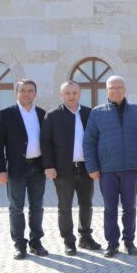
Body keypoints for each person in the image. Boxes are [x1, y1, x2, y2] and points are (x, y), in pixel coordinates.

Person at [83, 75, 137, 258]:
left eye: (119, 87)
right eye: (112, 88)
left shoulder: (136, 111)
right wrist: (92, 166)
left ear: (125, 89)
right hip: (107, 169)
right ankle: (112, 243)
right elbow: (89, 141)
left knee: (130, 207)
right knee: (110, 208)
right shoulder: (97, 113)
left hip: (130, 168)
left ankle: (129, 241)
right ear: (107, 90)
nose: (116, 91)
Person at [41, 80, 102, 256]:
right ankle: (69, 241)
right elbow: (45, 142)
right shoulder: (52, 116)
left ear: (80, 93)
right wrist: (49, 166)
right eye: (67, 93)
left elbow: (97, 140)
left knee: (87, 204)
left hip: (85, 168)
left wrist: (96, 165)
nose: (71, 96)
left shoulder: (89, 113)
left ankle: (85, 237)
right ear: (61, 95)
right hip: (62, 169)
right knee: (64, 206)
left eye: (74, 93)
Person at [0, 79, 48, 260]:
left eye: (30, 90)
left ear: (35, 93)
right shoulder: (6, 114)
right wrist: (0, 170)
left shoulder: (41, 114)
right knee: (16, 207)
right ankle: (19, 244)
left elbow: (47, 143)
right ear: (16, 93)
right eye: (23, 90)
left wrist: (49, 165)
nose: (27, 94)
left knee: (37, 207)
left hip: (37, 167)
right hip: (16, 169)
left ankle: (36, 242)